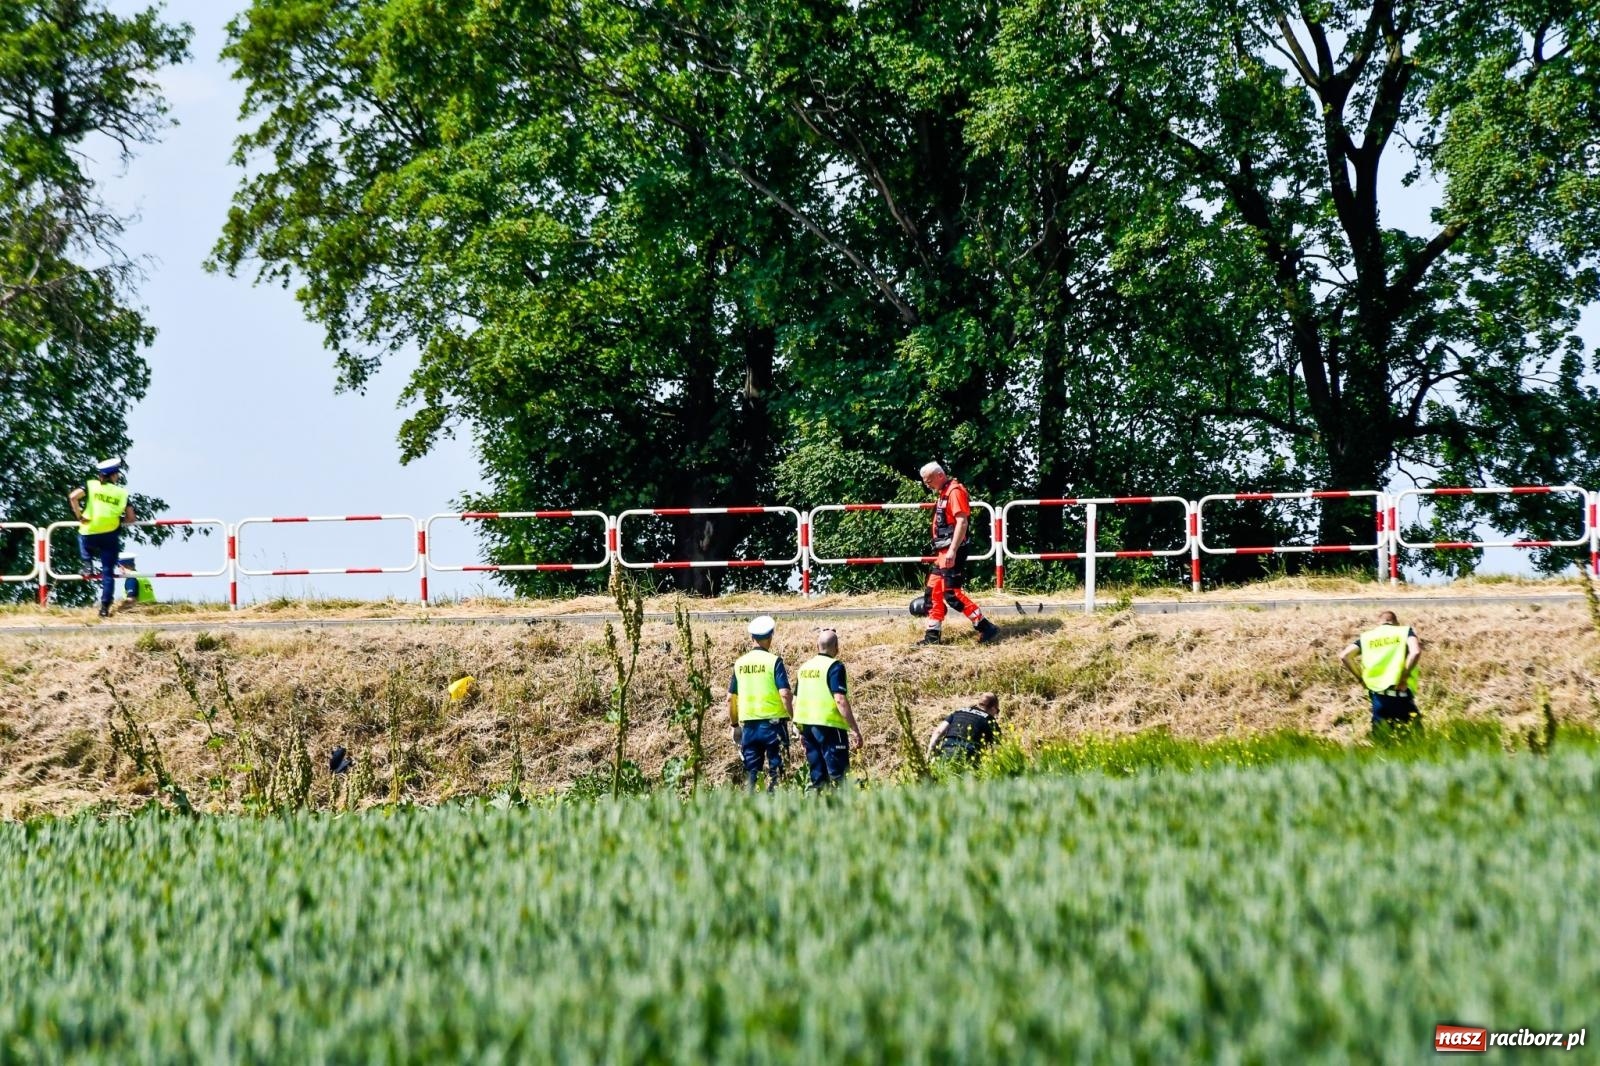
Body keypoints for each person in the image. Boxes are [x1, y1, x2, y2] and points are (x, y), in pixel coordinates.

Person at [915, 461, 1000, 645]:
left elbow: (962, 523)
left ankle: (986, 627)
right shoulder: (944, 492)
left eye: (929, 481)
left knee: (951, 594)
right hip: (944, 552)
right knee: (933, 592)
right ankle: (932, 636)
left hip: (952, 551)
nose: (927, 485)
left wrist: (952, 551)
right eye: (925, 482)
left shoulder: (954, 492)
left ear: (940, 475)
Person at [792, 627, 864, 790]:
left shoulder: (804, 668)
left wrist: (797, 727)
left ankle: (817, 810)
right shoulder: (835, 666)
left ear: (816, 646)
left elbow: (795, 701)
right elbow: (839, 699)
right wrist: (855, 729)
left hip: (808, 728)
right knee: (840, 778)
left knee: (818, 778)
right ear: (837, 648)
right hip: (831, 729)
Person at [728, 615, 794, 791]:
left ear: (752, 638)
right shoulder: (774, 662)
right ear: (771, 636)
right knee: (778, 775)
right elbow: (785, 694)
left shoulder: (740, 664)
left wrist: (735, 725)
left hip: (750, 728)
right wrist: (794, 719)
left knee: (751, 775)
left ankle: (750, 809)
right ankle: (776, 809)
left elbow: (731, 698)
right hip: (774, 727)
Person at [68, 458, 135, 618]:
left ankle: (87, 564)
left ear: (101, 475)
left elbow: (73, 497)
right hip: (110, 535)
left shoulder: (91, 486)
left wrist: (79, 516)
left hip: (90, 532)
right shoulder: (122, 493)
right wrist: (120, 520)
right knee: (107, 572)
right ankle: (105, 608)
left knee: (81, 537)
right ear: (114, 476)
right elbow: (131, 517)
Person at [1340, 610, 1423, 736]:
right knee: (1416, 739)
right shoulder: (1404, 631)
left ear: (1379, 624)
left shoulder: (1367, 637)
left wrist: (1361, 679)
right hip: (1401, 694)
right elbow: (1415, 652)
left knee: (1382, 742)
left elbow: (1345, 656)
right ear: (1396, 623)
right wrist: (1403, 677)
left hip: (1378, 697)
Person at [926, 693, 1002, 765]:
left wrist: (929, 755)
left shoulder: (959, 712)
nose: (996, 715)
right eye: (997, 711)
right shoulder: (990, 720)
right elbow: (997, 750)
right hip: (968, 755)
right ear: (993, 709)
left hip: (947, 749)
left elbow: (938, 732)